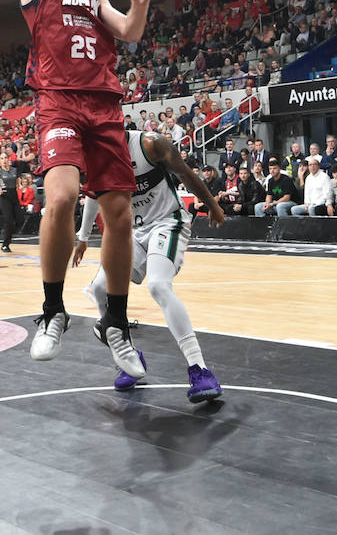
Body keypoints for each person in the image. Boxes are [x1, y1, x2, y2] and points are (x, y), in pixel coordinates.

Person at [5, 0, 149, 378]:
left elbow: (130, 34)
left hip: (106, 105)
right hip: (58, 101)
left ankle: (114, 321)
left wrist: (139, 6)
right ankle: (50, 311)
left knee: (120, 216)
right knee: (62, 197)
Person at [74, 130, 227, 402]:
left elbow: (185, 174)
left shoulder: (149, 144)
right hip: (132, 230)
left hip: (168, 222)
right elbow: (94, 195)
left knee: (158, 285)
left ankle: (200, 370)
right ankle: (128, 358)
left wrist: (212, 204)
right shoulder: (99, 156)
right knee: (98, 289)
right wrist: (83, 237)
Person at [0, 152, 21, 252]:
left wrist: (20, 187)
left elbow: (17, 183)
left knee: (19, 219)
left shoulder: (14, 170)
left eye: (5, 158)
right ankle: (5, 244)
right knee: (9, 220)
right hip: (4, 197)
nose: (4, 160)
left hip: (14, 195)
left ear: (8, 159)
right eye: (2, 158)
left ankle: (7, 232)